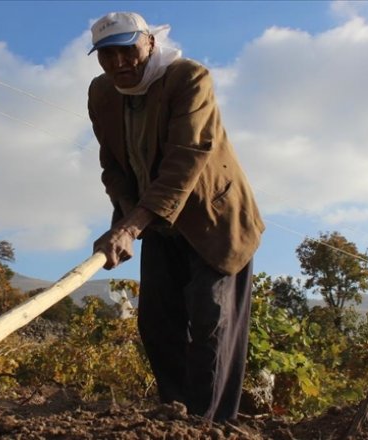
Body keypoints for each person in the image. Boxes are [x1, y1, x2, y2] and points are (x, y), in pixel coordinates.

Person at [87, 12, 265, 422]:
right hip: (157, 223)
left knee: (211, 323)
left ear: (149, 43)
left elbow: (186, 159)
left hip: (213, 220)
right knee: (157, 324)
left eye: (127, 50)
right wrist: (126, 221)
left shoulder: (188, 78)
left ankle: (209, 424)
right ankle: (177, 416)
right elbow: (112, 164)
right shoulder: (102, 94)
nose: (118, 64)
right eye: (106, 56)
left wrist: (131, 226)